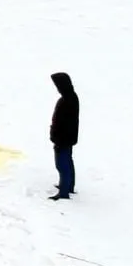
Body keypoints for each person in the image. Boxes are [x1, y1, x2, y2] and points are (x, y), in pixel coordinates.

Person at [49, 72, 79, 200]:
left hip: (63, 139)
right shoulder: (70, 97)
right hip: (67, 138)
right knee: (67, 162)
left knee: (62, 165)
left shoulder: (67, 100)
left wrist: (57, 137)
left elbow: (64, 122)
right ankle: (68, 186)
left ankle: (64, 192)